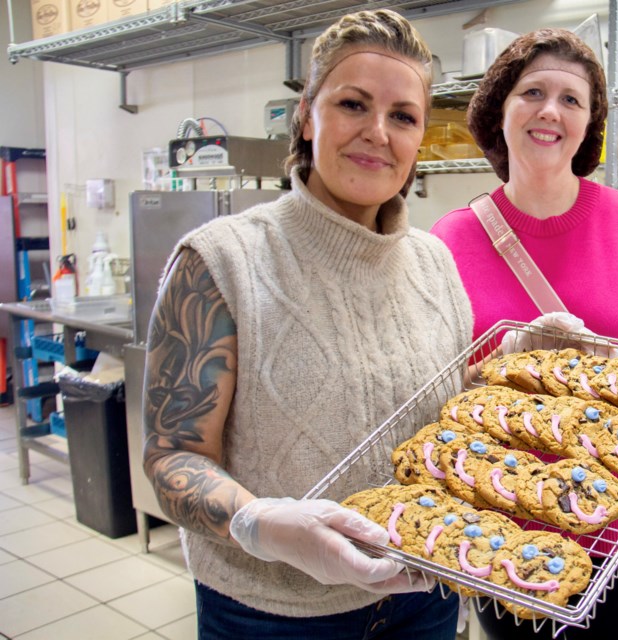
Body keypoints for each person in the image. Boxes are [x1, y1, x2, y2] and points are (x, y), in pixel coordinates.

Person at [142, 10, 473, 639]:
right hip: (273, 616)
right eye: (353, 104)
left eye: (403, 115)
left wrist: (517, 362)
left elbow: (442, 413)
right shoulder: (222, 262)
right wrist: (259, 524)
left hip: (424, 597)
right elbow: (172, 457)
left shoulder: (435, 263)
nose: (378, 132)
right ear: (307, 116)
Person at [431, 28, 618, 638]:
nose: (550, 111)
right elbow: (436, 396)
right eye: (532, 92)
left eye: (571, 99)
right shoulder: (449, 241)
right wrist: (493, 363)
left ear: (589, 126)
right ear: (498, 109)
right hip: (500, 535)